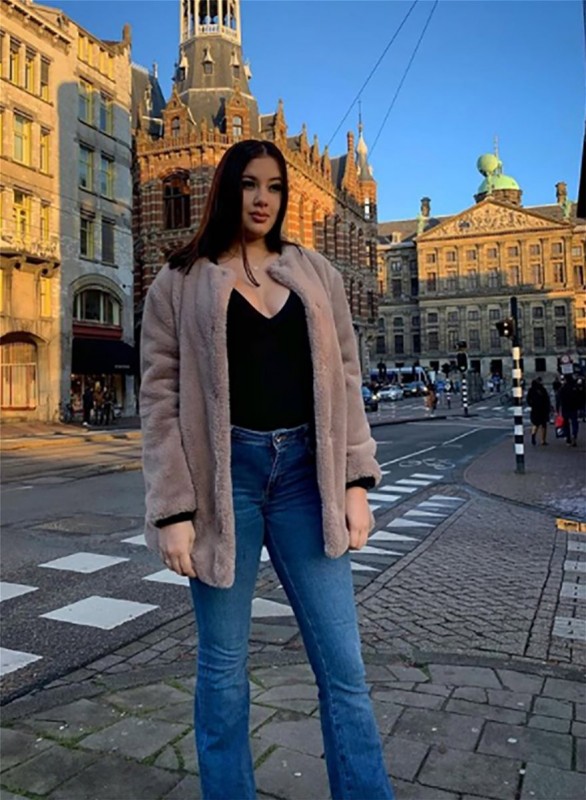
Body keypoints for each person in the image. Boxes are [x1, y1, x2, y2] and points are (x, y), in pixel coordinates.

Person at [140, 139, 395, 800]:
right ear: (226, 188)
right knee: (224, 671)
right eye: (250, 184)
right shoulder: (179, 281)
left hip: (307, 476)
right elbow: (160, 398)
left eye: (275, 186)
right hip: (227, 482)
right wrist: (173, 508)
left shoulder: (315, 273)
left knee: (344, 668)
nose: (263, 199)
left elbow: (345, 378)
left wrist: (356, 483)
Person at [526, 378, 552, 446]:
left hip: (535, 409)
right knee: (544, 425)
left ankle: (533, 435)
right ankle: (543, 440)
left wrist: (532, 404)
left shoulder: (531, 390)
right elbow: (546, 399)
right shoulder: (543, 389)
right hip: (543, 409)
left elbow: (528, 399)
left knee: (535, 424)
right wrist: (548, 407)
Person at [558, 375, 580, 447]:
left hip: (565, 408)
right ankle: (574, 435)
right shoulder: (575, 388)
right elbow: (579, 397)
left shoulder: (562, 388)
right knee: (574, 422)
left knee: (566, 423)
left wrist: (558, 409)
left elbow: (559, 399)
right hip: (573, 407)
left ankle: (568, 438)